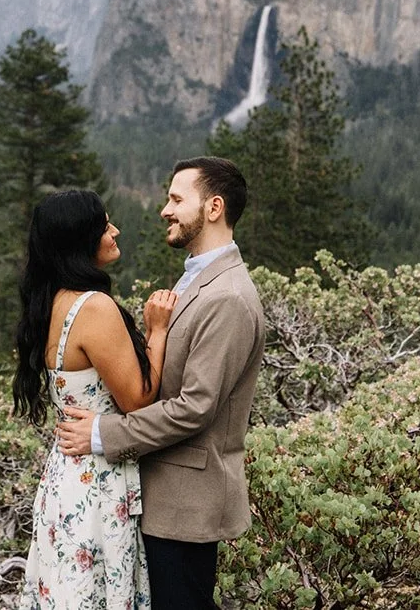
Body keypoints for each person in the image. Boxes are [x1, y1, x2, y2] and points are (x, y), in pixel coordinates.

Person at [55, 157, 265, 610]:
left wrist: (100, 433)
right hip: (157, 497)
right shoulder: (198, 279)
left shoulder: (228, 297)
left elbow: (195, 407)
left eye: (175, 199)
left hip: (186, 505)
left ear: (213, 207)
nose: (164, 210)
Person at [13, 189, 179, 609]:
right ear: (81, 238)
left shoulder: (51, 302)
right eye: (105, 225)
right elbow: (139, 402)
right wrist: (157, 331)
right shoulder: (93, 307)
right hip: (98, 483)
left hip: (65, 478)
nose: (115, 231)